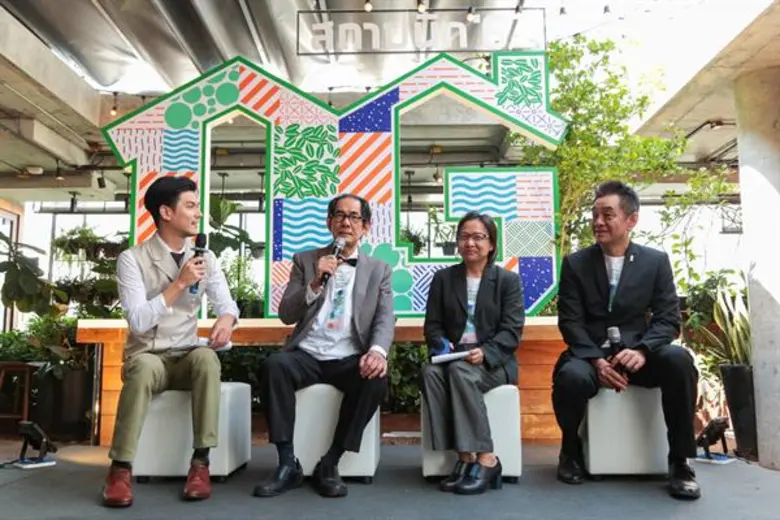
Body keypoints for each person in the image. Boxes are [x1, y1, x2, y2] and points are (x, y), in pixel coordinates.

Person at [552, 181, 701, 500]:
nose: (598, 221)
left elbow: (667, 318)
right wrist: (596, 361)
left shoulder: (655, 261)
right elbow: (570, 322)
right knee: (570, 376)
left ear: (631, 220)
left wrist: (643, 350)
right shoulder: (576, 264)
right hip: (592, 356)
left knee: (679, 361)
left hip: (637, 354)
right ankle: (570, 451)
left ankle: (681, 461)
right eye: (595, 214)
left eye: (607, 215)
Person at [101, 176, 239, 508]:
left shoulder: (205, 257)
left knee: (206, 358)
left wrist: (226, 319)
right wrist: (179, 284)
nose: (198, 214)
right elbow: (137, 321)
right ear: (165, 212)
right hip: (149, 355)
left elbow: (227, 303)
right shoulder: (132, 259)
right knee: (144, 368)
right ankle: (120, 469)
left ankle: (200, 463)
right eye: (190, 206)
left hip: (186, 354)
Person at [253, 193, 394, 499]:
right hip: (307, 354)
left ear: (366, 226)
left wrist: (377, 351)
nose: (346, 222)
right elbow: (287, 314)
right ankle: (287, 463)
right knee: (274, 366)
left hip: (349, 356)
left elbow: (384, 318)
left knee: (376, 380)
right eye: (339, 215)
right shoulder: (305, 260)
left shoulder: (379, 269)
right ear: (329, 222)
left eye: (354, 217)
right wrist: (316, 282)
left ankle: (330, 463)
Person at [421, 212, 525, 495]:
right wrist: (441, 344)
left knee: (460, 371)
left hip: (493, 363)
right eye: (464, 236)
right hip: (454, 357)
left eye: (478, 237)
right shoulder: (444, 279)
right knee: (430, 373)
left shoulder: (507, 281)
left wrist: (486, 352)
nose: (470, 243)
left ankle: (487, 459)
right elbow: (432, 325)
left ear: (491, 244)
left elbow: (512, 331)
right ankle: (465, 457)